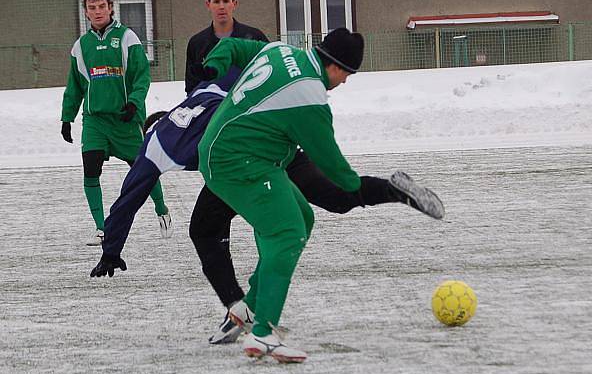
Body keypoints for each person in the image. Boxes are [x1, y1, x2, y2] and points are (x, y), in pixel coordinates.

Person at [89, 61, 443, 354]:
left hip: (238, 166)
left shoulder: (153, 147)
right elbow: (247, 75)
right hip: (274, 145)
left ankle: (240, 308)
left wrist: (111, 249)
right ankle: (394, 190)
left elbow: (127, 200)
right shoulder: (201, 94)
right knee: (336, 197)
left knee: (209, 229)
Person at [197, 29, 445, 363]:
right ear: (336, 65)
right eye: (347, 74)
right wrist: (365, 186)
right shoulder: (310, 97)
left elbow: (232, 46)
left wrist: (215, 63)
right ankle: (264, 334)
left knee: (302, 217)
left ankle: (252, 307)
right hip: (237, 161)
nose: (344, 82)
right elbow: (336, 169)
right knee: (287, 233)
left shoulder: (280, 50)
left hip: (241, 153)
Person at [60, 0, 171, 246]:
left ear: (110, 8)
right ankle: (101, 228)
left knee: (144, 170)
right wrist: (67, 117)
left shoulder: (127, 38)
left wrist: (133, 104)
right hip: (95, 121)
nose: (97, 11)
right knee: (90, 171)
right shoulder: (81, 46)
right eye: (92, 7)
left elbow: (141, 76)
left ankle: (162, 209)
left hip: (124, 120)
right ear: (86, 12)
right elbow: (74, 85)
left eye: (101, 6)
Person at [185, 0, 268, 94]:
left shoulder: (255, 37)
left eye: (226, 1)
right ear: (208, 5)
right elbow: (191, 88)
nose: (221, 6)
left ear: (234, 4)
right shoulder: (197, 43)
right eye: (216, 2)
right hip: (213, 108)